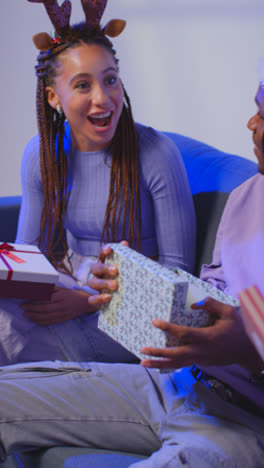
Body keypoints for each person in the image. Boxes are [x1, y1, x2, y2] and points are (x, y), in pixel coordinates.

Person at [0, 72, 264, 468]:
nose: (251, 124)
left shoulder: (154, 153)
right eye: (255, 110)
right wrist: (133, 283)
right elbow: (212, 294)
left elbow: (242, 333)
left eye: (263, 114)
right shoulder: (250, 195)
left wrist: (251, 351)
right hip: (175, 384)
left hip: (246, 422)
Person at [0, 0, 196, 365]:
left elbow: (180, 280)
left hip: (132, 314)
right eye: (82, 85)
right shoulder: (41, 157)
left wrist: (87, 301)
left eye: (110, 80)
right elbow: (28, 260)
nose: (102, 99)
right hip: (66, 289)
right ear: (53, 97)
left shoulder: (156, 155)